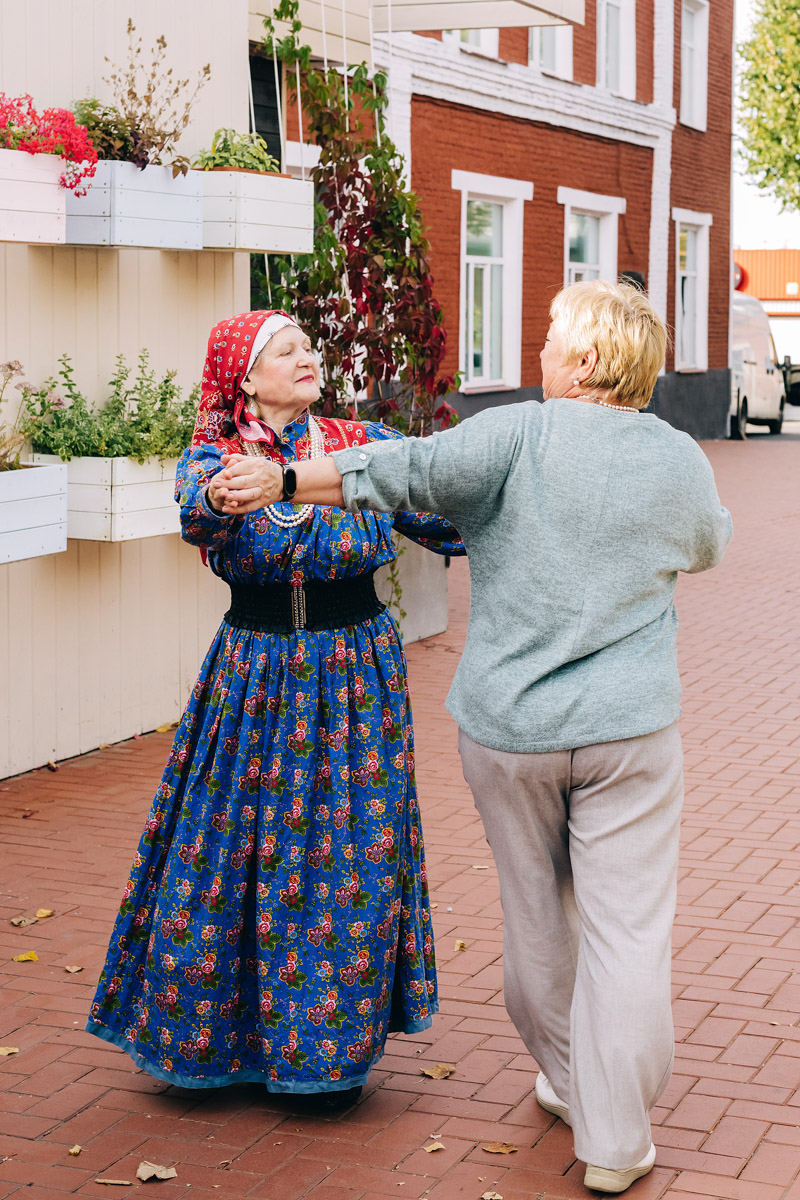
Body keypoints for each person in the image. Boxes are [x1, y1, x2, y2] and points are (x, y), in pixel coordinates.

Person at [222, 281, 733, 1192]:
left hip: (513, 731)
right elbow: (706, 547)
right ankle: (615, 1140)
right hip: (629, 733)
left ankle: (574, 1083)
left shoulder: (516, 435)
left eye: (549, 338)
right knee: (627, 934)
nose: (536, 352)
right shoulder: (678, 458)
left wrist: (283, 478)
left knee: (537, 919)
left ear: (583, 361)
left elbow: (400, 467)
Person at [86, 309, 464, 1106]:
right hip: (254, 674)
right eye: (283, 349)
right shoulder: (212, 456)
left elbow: (447, 512)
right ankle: (210, 1043)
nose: (306, 357)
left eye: (307, 346)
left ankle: (326, 1061)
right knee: (221, 847)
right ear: (244, 379)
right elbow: (198, 507)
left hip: (356, 675)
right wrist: (228, 492)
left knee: (347, 854)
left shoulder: (364, 446)